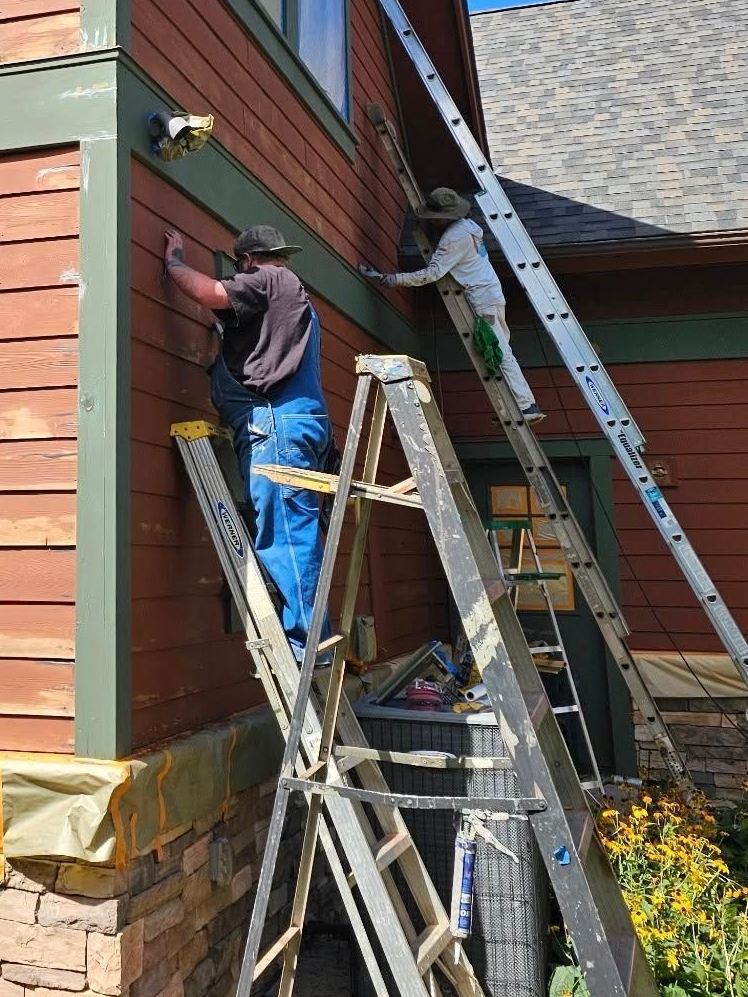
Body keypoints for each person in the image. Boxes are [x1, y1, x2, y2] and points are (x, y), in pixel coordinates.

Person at [163, 221, 334, 657]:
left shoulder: (270, 279)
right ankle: (311, 636)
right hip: (296, 425)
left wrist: (174, 262)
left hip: (277, 425)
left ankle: (306, 646)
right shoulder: (295, 302)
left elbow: (210, 295)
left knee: (288, 536)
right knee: (294, 531)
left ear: (247, 261)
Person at [361, 186, 545, 423]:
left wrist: (396, 279)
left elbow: (433, 273)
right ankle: (519, 404)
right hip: (491, 293)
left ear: (443, 218)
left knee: (498, 351)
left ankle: (525, 405)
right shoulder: (468, 228)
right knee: (499, 349)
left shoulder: (453, 239)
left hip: (481, 297)